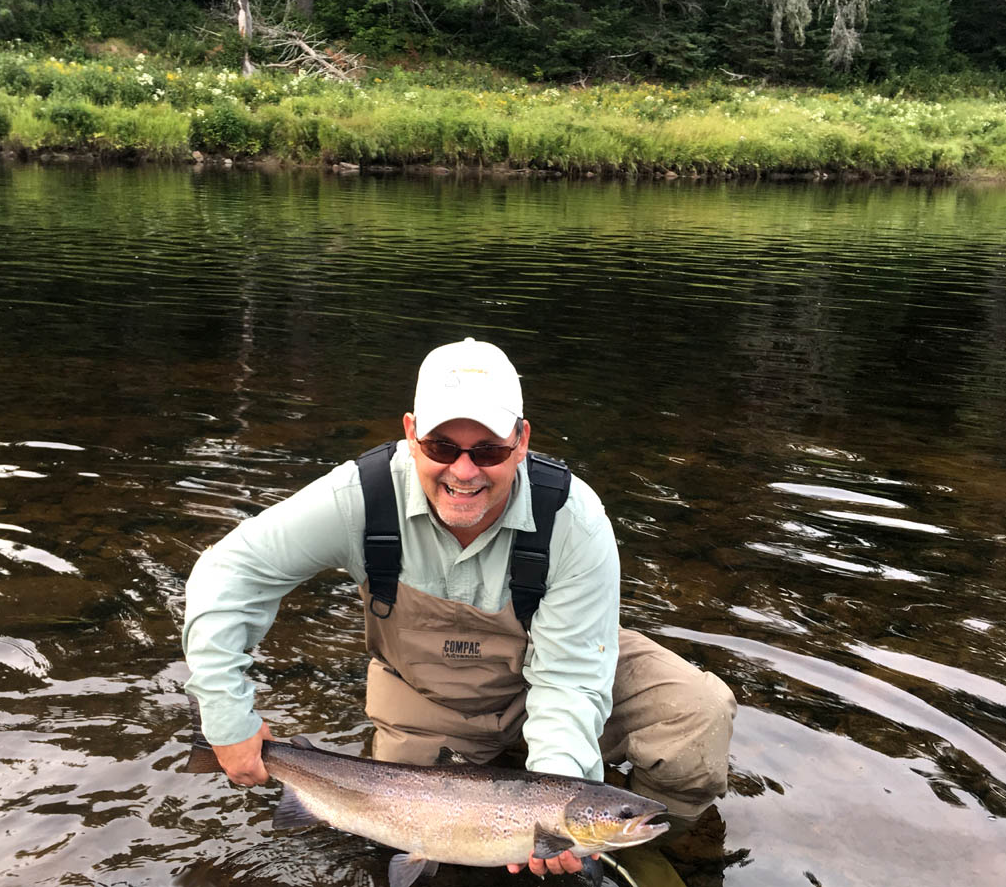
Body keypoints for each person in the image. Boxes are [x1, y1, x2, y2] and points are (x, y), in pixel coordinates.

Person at [183, 337, 736, 879]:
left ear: (522, 441)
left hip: (555, 673)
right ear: (410, 434)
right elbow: (226, 575)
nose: (464, 471)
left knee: (695, 716)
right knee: (413, 836)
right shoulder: (359, 498)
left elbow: (569, 679)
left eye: (489, 450)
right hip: (430, 697)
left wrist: (558, 799)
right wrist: (227, 719)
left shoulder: (573, 519)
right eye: (442, 447)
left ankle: (645, 845)